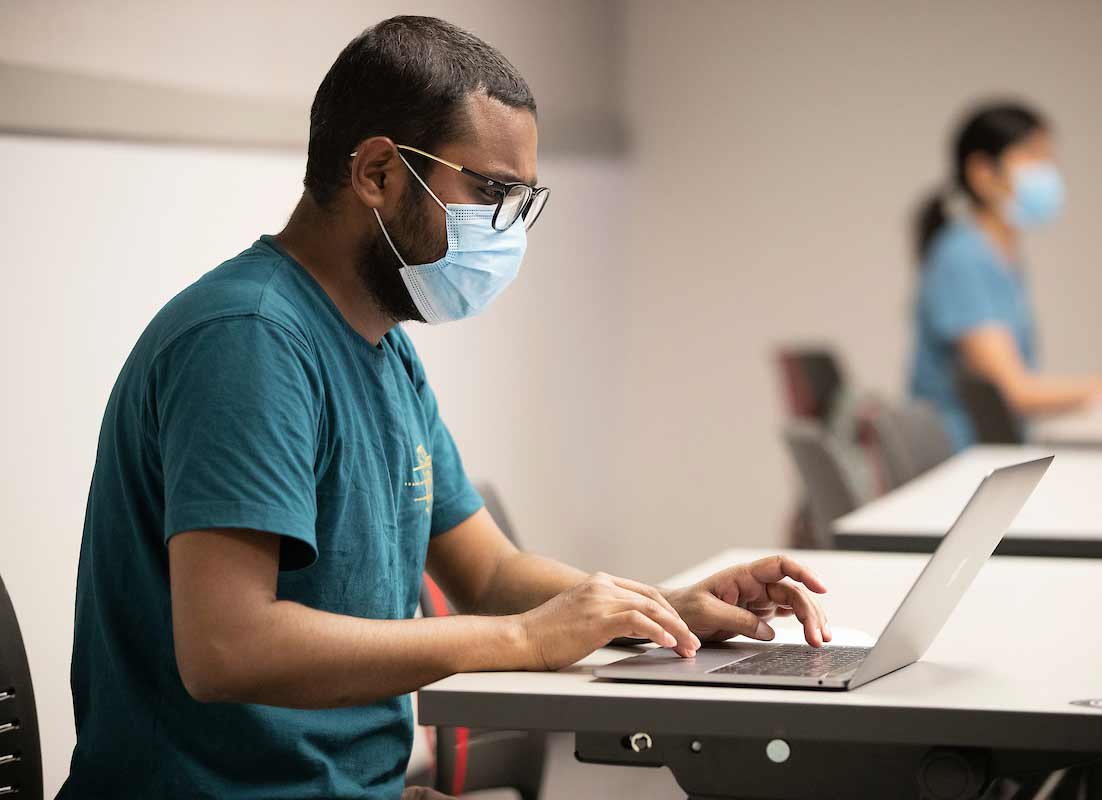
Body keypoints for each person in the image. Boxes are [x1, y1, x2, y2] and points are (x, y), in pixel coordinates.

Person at [57, 16, 831, 800]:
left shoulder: (383, 348)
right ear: (378, 174)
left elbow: (488, 571)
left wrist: (664, 609)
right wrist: (527, 640)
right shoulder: (248, 341)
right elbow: (229, 648)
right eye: (491, 191)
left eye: (522, 199)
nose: (506, 227)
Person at [908, 101, 1102, 450]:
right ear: (983, 172)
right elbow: (1015, 392)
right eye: (1033, 156)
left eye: (1049, 158)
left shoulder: (1002, 257)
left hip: (995, 452)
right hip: (961, 459)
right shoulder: (962, 257)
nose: (1048, 171)